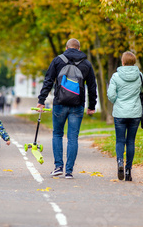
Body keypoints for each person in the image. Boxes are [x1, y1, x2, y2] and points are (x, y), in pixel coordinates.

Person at [37, 38, 98, 179]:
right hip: (77, 105)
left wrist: (41, 100)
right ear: (79, 49)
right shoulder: (86, 63)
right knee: (73, 138)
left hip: (59, 103)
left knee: (57, 134)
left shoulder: (57, 61)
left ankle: (58, 166)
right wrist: (91, 106)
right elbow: (92, 86)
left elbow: (48, 81)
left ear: (66, 48)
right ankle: (69, 171)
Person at [107, 51, 143, 181]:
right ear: (134, 62)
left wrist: (118, 101)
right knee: (131, 141)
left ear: (123, 62)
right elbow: (141, 91)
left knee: (120, 140)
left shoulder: (116, 76)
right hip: (135, 112)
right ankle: (128, 171)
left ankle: (120, 162)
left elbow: (111, 95)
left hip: (120, 113)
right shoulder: (140, 76)